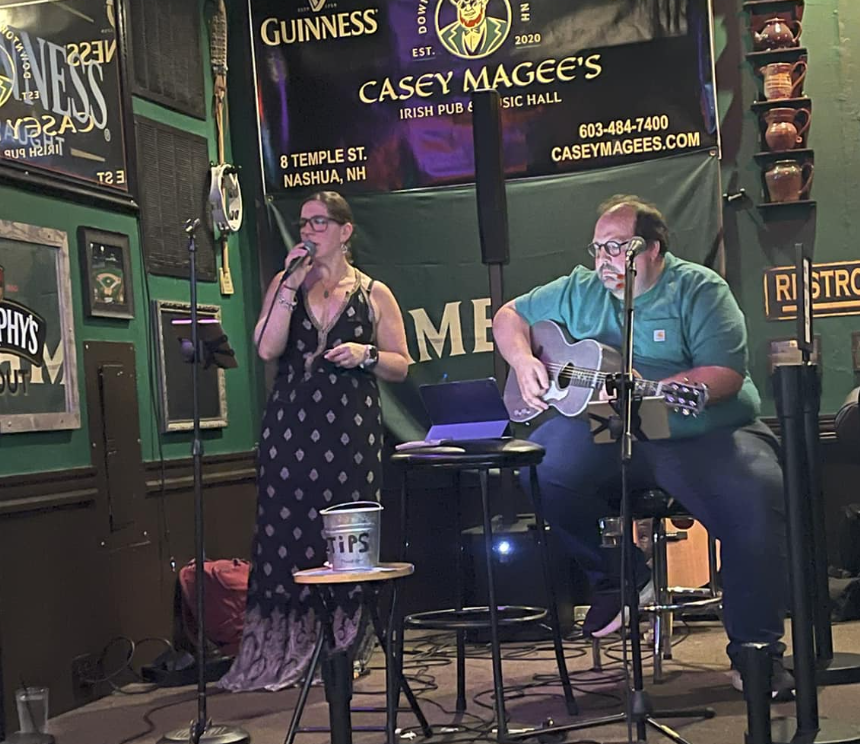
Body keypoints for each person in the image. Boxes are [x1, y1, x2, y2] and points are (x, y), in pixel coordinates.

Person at [492, 195, 792, 694]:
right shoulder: (579, 288)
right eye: (598, 249)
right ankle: (621, 578)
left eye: (617, 248)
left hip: (699, 430)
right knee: (537, 465)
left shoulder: (699, 289)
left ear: (653, 249)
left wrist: (663, 388)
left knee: (756, 496)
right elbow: (508, 316)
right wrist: (524, 361)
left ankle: (756, 653)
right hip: (611, 426)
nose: (604, 261)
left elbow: (724, 374)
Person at [220, 191, 409, 691]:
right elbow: (267, 348)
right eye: (304, 223)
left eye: (319, 222)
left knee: (346, 532)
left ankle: (345, 643)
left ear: (345, 232)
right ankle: (284, 645)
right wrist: (289, 284)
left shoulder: (374, 293)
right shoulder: (287, 283)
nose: (308, 231)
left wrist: (366, 354)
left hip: (350, 427)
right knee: (288, 532)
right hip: (291, 426)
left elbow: (401, 364)